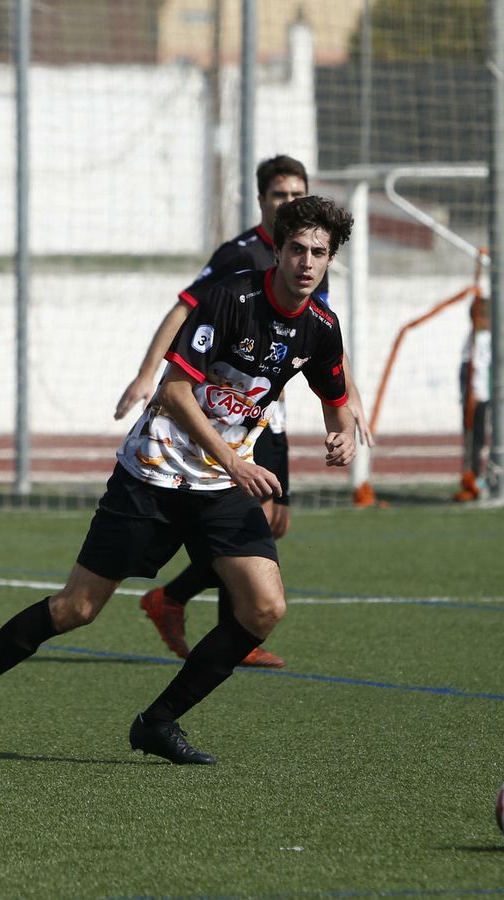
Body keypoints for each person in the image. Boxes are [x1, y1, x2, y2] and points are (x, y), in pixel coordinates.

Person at [0, 196, 358, 767]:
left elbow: (337, 399)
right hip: (153, 474)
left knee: (264, 608)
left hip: (219, 490)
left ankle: (157, 722)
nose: (307, 262)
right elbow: (173, 393)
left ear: (331, 258)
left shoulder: (320, 326)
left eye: (319, 252)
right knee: (76, 609)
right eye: (297, 249)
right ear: (278, 249)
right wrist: (237, 463)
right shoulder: (230, 298)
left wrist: (338, 432)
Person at [114, 155, 372, 670]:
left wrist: (348, 404)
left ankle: (187, 603)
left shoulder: (310, 253)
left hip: (262, 410)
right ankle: (226, 624)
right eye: (279, 196)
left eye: (296, 194)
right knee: (251, 516)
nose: (288, 205)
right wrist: (149, 374)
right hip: (214, 414)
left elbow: (322, 340)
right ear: (262, 202)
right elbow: (186, 307)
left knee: (276, 520)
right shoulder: (240, 256)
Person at [454, 296, 491, 502]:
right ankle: (475, 477)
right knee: (476, 439)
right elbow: (474, 368)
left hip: (478, 395)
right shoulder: (479, 339)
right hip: (477, 397)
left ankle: (476, 475)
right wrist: (473, 393)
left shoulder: (477, 338)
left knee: (477, 439)